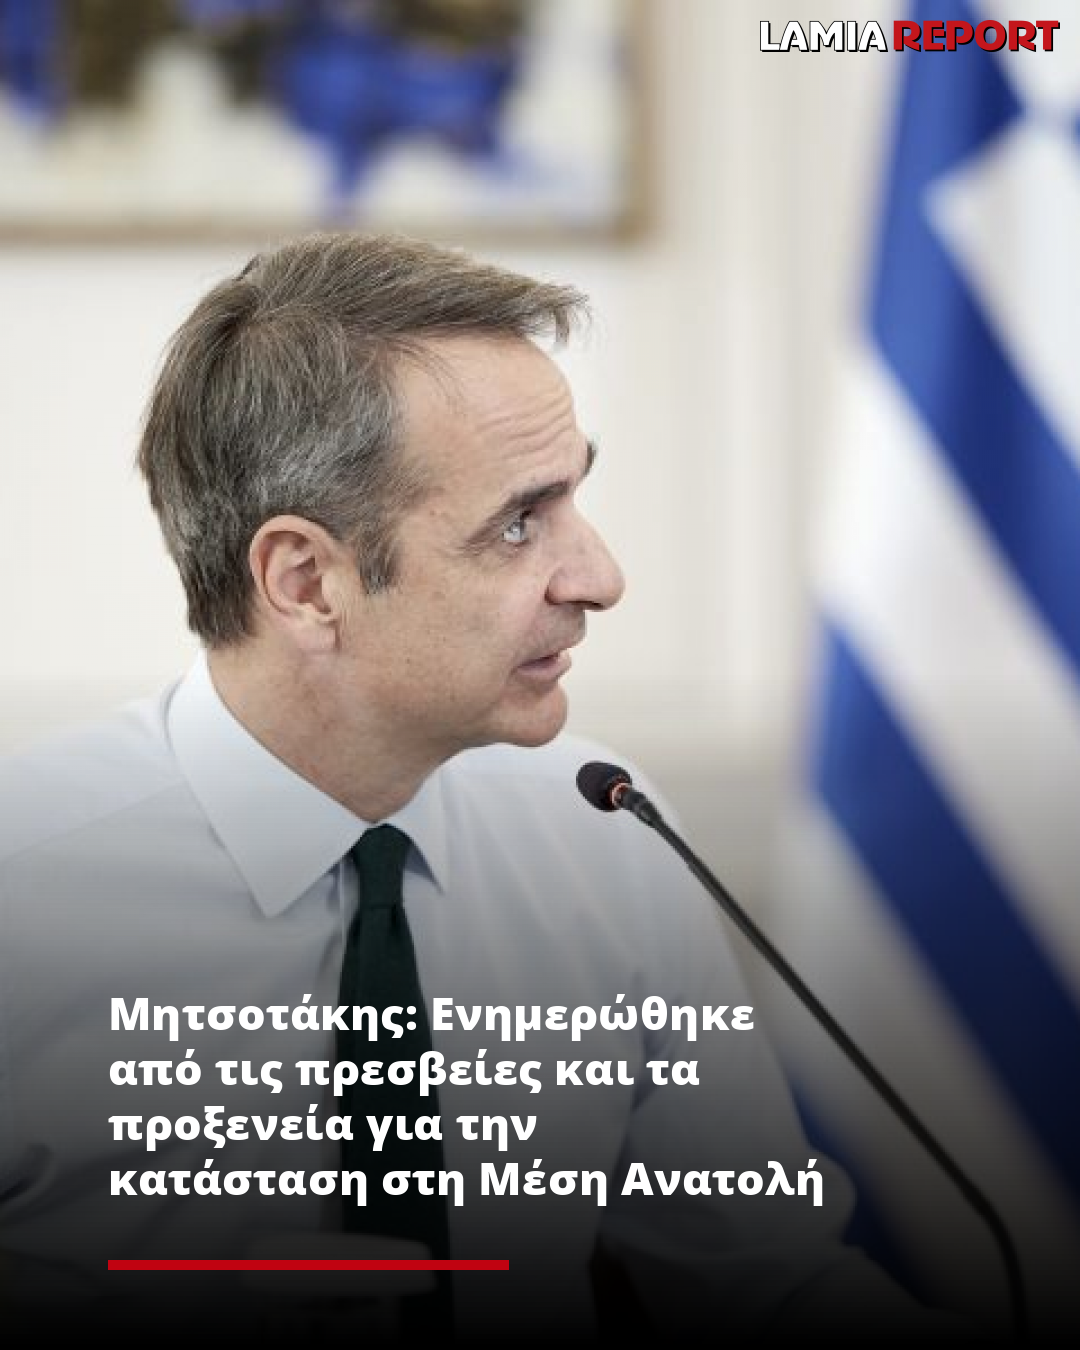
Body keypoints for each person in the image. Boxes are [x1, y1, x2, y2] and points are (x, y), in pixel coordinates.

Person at [0, 233, 965, 1343]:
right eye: (517, 524)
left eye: (573, 500)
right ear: (306, 583)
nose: (599, 577)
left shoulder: (607, 830)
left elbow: (765, 1279)